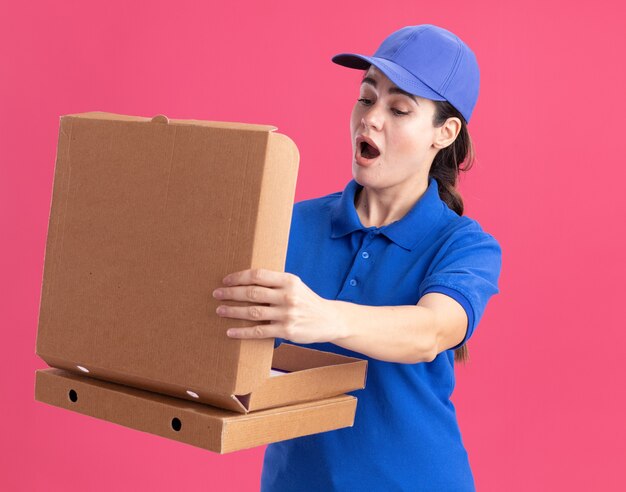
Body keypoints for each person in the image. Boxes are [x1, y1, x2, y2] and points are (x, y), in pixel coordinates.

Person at [211, 24, 502, 492]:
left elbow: (431, 332)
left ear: (444, 134)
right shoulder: (288, 224)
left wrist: (323, 317)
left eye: (399, 108)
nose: (371, 119)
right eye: (366, 99)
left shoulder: (464, 246)